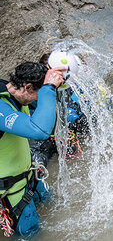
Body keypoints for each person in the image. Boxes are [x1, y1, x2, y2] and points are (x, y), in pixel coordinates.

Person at [0, 62, 65, 237]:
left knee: (54, 206)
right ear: (28, 87)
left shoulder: (16, 95)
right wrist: (48, 88)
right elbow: (39, 130)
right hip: (10, 190)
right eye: (37, 95)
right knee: (30, 233)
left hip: (30, 176)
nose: (37, 100)